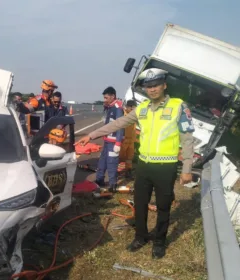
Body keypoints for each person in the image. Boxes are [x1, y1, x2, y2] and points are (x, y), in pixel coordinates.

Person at [75, 68, 194, 259]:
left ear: (164, 85)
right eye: (148, 86)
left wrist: (187, 168)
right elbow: (118, 123)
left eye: (156, 85)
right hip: (144, 166)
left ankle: (159, 242)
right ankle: (140, 237)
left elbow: (188, 139)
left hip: (166, 167)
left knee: (163, 206)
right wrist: (91, 135)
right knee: (140, 203)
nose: (152, 89)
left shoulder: (178, 106)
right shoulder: (143, 108)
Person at [94, 86, 124, 194]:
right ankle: (99, 180)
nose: (104, 100)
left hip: (113, 142)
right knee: (102, 161)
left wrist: (118, 142)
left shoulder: (117, 108)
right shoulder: (110, 107)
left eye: (106, 98)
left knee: (112, 163)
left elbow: (120, 126)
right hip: (107, 140)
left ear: (113, 96)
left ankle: (112, 184)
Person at [119, 99, 137, 179]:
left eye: (134, 108)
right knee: (120, 157)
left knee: (129, 158)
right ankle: (115, 172)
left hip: (131, 140)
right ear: (127, 107)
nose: (133, 110)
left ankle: (128, 171)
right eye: (131, 108)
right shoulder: (122, 114)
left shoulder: (134, 116)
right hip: (124, 140)